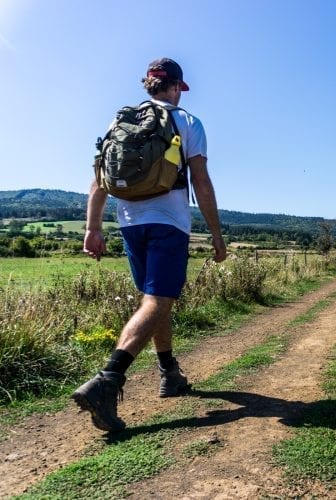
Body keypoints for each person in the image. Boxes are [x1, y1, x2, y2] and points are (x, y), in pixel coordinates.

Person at [72, 57, 227, 432]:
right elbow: (201, 182)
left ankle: (169, 372)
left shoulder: (120, 122)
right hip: (168, 223)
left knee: (153, 300)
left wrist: (93, 227)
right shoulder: (187, 122)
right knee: (160, 300)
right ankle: (107, 380)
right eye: (179, 88)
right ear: (174, 86)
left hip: (128, 223)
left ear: (148, 85)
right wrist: (217, 235)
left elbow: (99, 178)